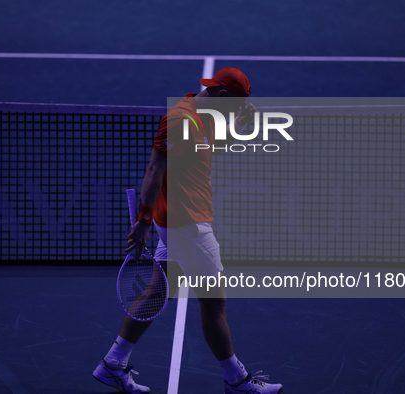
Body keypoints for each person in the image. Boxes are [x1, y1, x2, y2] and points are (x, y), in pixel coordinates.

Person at [93, 68, 283, 394]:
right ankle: (237, 380)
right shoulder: (182, 121)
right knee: (214, 304)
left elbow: (210, 147)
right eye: (235, 106)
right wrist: (142, 220)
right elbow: (155, 169)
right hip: (187, 225)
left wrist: (238, 126)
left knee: (156, 292)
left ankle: (113, 364)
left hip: (179, 223)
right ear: (223, 96)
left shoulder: (204, 112)